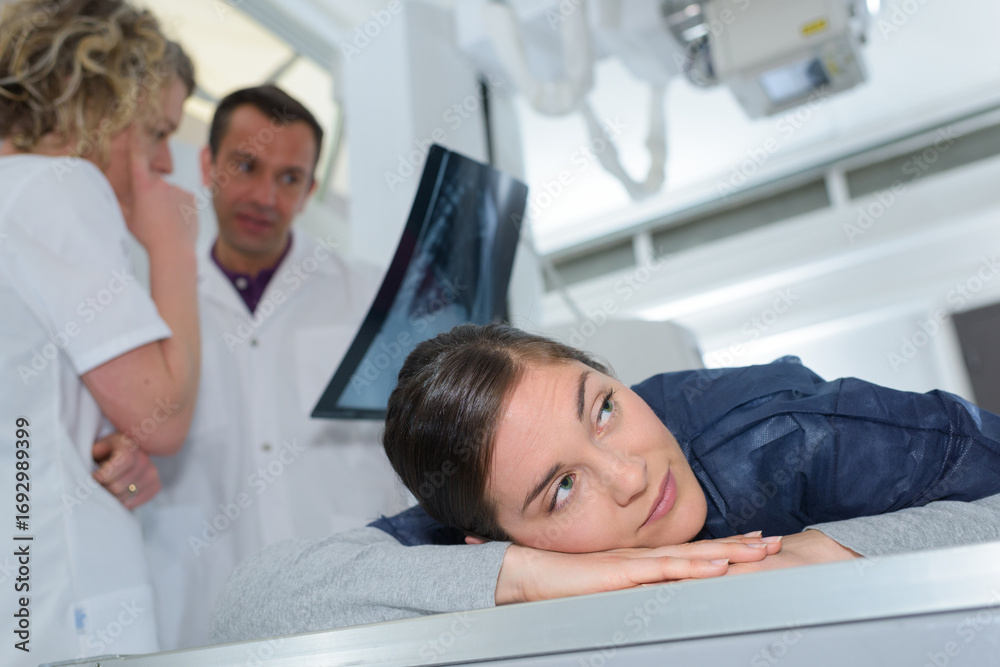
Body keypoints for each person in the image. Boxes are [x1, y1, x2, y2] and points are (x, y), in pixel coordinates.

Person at [211, 323, 1000, 642]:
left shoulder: (791, 434)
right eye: (560, 488)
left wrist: (829, 554)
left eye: (605, 409)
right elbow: (242, 614)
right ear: (485, 537)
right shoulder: (471, 535)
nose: (630, 475)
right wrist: (522, 577)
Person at [124, 85, 406, 650]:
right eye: (246, 166)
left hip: (357, 618)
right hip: (204, 617)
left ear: (310, 192)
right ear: (207, 165)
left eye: (289, 178)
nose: (264, 196)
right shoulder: (147, 304)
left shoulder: (374, 297)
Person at [0, 1, 199, 664]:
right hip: (59, 605)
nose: (166, 162)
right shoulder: (58, 186)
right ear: (100, 106)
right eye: (154, 131)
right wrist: (174, 247)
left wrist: (91, 447)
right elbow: (163, 415)